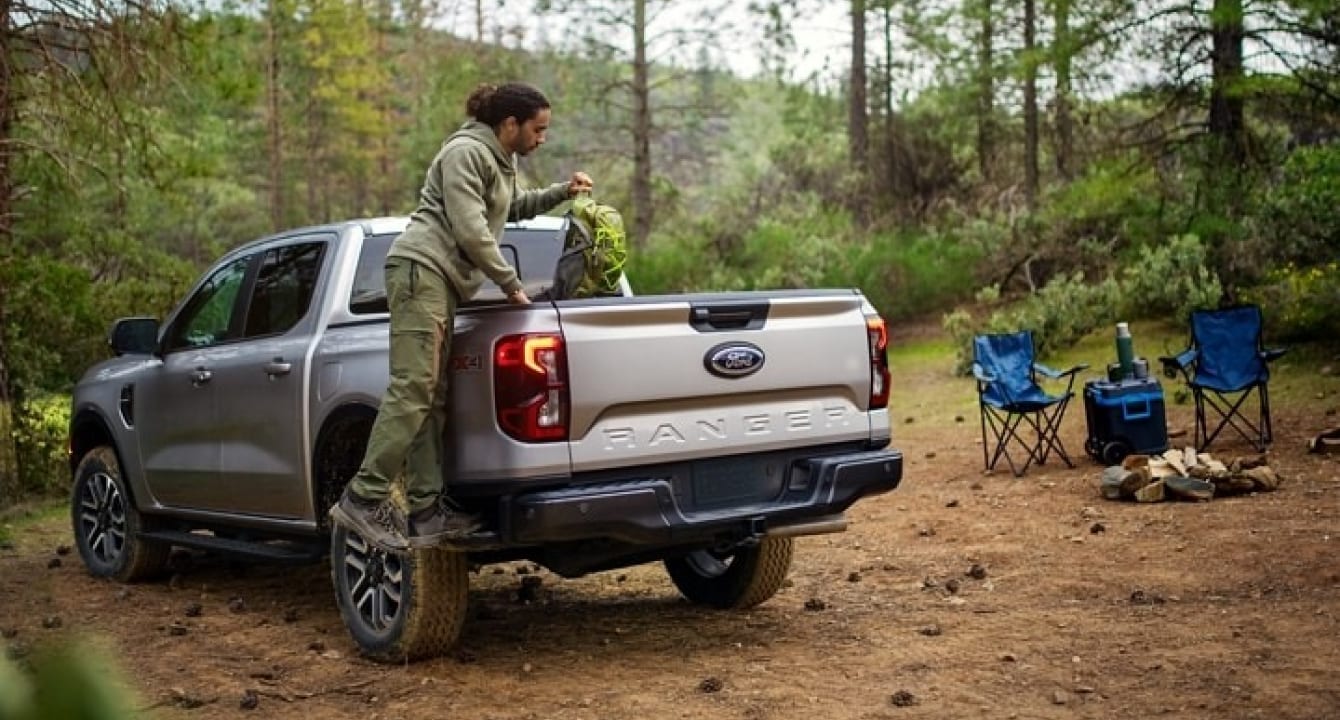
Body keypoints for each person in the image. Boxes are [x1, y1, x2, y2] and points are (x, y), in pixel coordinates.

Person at [331, 82, 593, 551]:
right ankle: (363, 498)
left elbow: (510, 208)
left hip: (442, 283)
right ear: (509, 124)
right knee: (413, 388)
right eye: (538, 129)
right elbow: (472, 228)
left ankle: (427, 510)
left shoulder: (499, 160)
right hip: (420, 271)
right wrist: (512, 284)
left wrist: (561, 192)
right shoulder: (465, 153)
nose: (542, 139)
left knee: (432, 396)